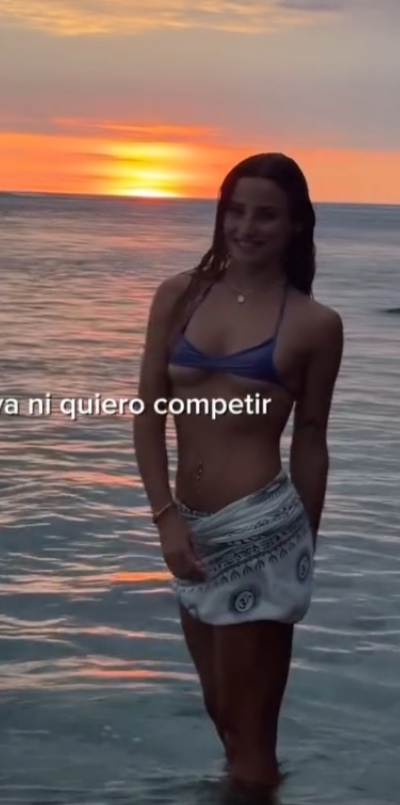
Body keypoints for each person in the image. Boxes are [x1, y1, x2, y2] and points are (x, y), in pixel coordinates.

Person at [133, 152, 343, 801]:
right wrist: (166, 517)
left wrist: (303, 540)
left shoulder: (313, 323)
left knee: (250, 743)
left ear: (296, 225)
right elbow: (148, 412)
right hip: (191, 529)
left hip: (262, 529)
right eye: (236, 211)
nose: (247, 227)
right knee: (223, 716)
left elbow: (311, 438)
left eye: (267, 215)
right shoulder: (179, 295)